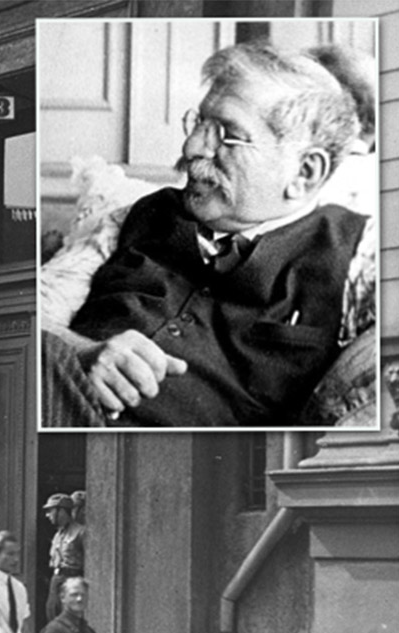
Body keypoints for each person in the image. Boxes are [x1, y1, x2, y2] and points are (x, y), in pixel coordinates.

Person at [42, 41, 372, 427]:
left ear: (304, 173)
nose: (192, 147)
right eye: (199, 124)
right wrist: (82, 353)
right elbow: (31, 315)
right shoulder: (134, 216)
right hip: (54, 406)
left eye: (227, 135)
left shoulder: (359, 261)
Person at [44, 493, 85, 623]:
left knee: (70, 621)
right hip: (56, 581)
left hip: (71, 580)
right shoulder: (57, 535)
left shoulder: (81, 532)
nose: (48, 515)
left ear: (61, 511)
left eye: (51, 511)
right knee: (53, 616)